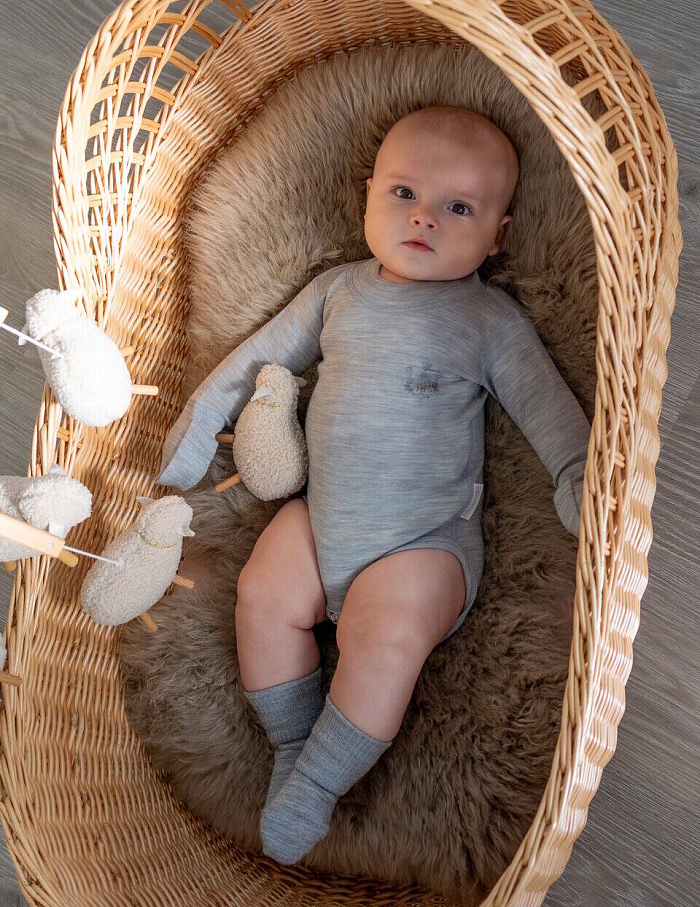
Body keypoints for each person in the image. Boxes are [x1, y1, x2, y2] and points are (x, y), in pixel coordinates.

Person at [154, 105, 591, 864]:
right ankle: (294, 744)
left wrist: (578, 477)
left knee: (384, 634)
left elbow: (547, 406)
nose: (424, 217)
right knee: (262, 592)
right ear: (368, 196)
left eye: (459, 208)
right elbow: (258, 358)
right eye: (404, 193)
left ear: (499, 237)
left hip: (424, 545)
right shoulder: (338, 292)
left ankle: (318, 783)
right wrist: (199, 427)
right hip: (320, 519)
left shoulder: (486, 319)